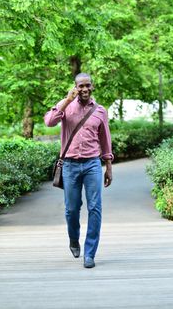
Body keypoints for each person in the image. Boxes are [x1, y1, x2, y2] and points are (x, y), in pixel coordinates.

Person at [44, 73, 113, 269]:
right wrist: (66, 100)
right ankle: (74, 240)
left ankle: (90, 253)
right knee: (71, 210)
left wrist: (108, 166)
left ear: (92, 87)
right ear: (75, 87)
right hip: (70, 165)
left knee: (95, 208)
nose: (84, 89)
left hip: (92, 164)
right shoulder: (66, 106)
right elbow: (49, 121)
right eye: (80, 86)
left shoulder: (100, 111)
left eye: (87, 85)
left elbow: (105, 139)